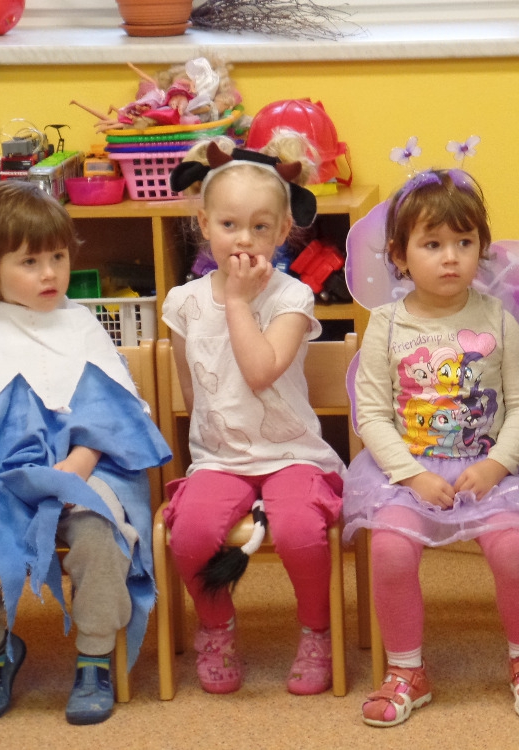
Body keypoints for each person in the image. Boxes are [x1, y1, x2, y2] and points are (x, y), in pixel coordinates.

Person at [342, 168, 519, 727]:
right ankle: (406, 670)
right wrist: (411, 475)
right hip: (406, 473)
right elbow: (371, 414)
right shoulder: (385, 324)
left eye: (464, 243)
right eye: (432, 244)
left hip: (489, 470)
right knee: (390, 551)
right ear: (398, 256)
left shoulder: (497, 319)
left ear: (481, 249)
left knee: (513, 549)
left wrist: (496, 466)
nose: (450, 257)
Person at [0, 180, 170, 724]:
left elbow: (116, 412)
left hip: (84, 466)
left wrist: (79, 464)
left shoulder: (81, 325)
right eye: (30, 261)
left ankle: (94, 656)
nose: (49, 274)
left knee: (99, 532)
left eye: (58, 257)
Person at [162, 132, 344, 696]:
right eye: (229, 224)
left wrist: (239, 301)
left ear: (284, 231)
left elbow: (261, 371)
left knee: (301, 532)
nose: (244, 239)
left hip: (292, 454)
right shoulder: (183, 302)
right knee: (189, 534)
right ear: (203, 223)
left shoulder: (292, 297)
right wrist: (209, 453)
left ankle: (317, 631)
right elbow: (192, 389)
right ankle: (216, 629)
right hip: (220, 459)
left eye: (261, 227)